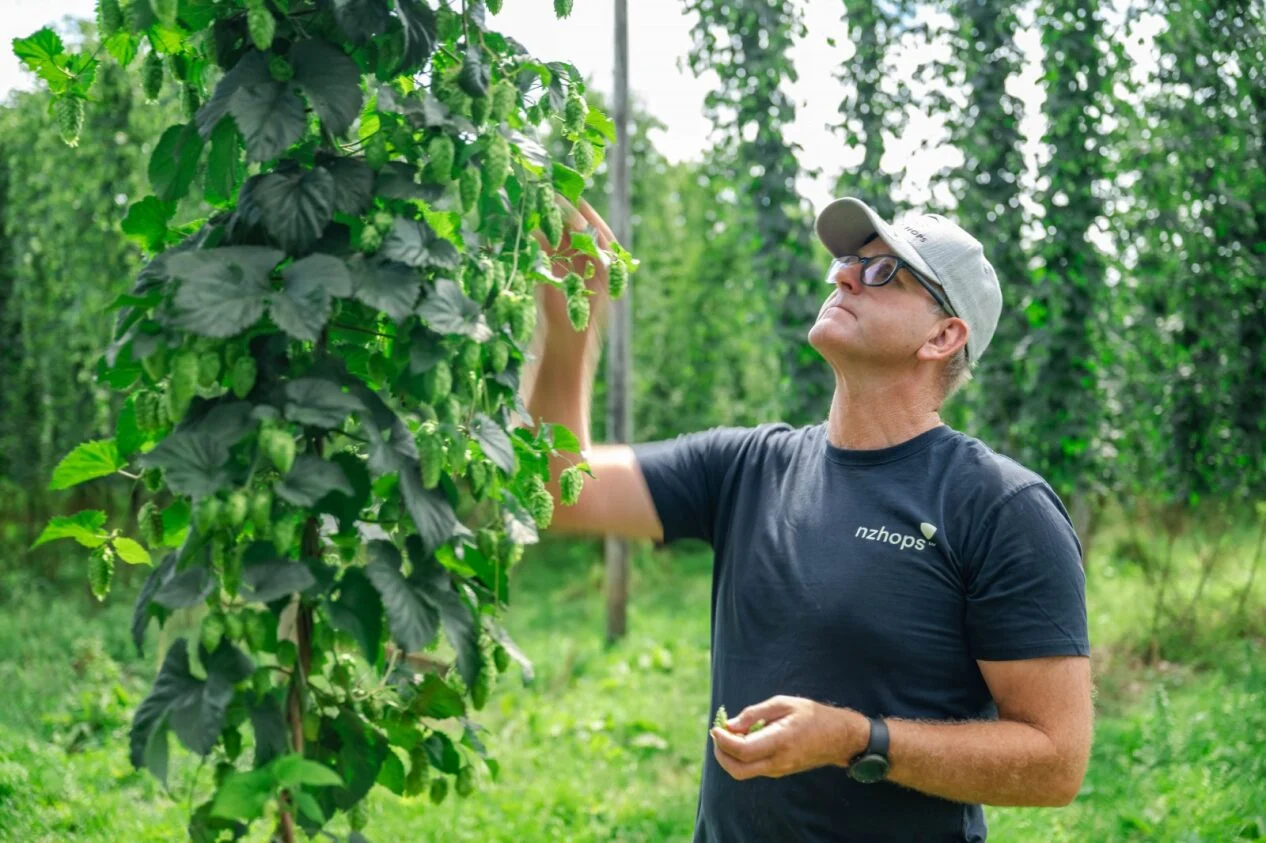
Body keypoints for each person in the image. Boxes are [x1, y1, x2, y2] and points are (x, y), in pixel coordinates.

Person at [521, 195, 1092, 843]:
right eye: (848, 262)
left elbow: (1056, 762)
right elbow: (561, 492)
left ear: (943, 335)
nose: (845, 275)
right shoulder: (744, 466)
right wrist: (570, 323)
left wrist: (856, 739)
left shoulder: (999, 506)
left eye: (884, 273)